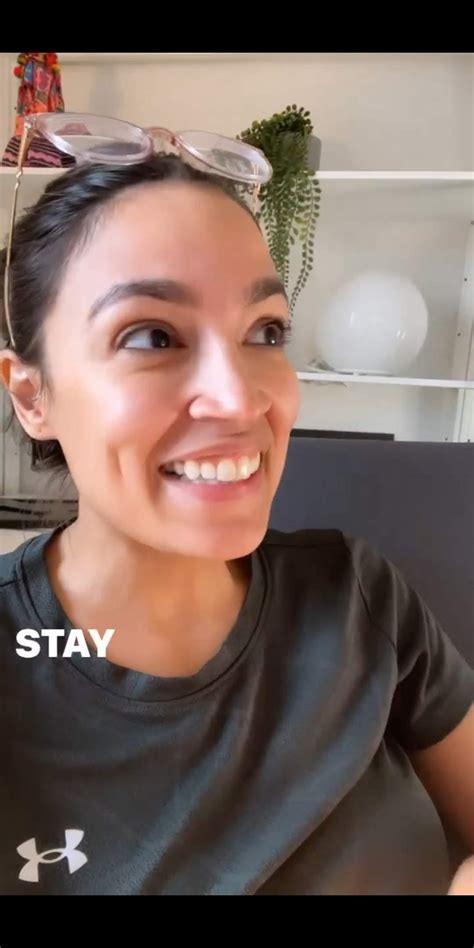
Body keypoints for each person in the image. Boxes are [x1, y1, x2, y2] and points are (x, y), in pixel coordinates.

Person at [0, 152, 473, 896]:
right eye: (152, 336)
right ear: (32, 396)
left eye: (265, 331)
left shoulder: (355, 595)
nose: (242, 399)